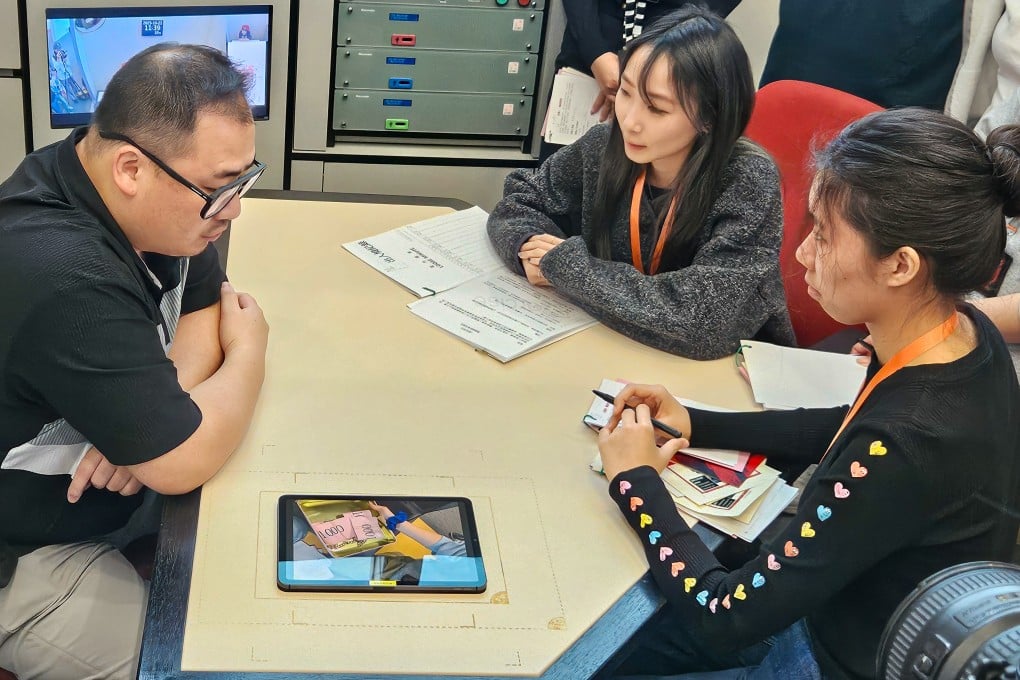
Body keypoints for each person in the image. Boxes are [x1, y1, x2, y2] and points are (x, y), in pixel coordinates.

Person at [597, 108, 1020, 678]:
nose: (802, 254)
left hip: (824, 654)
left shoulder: (908, 440)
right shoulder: (964, 333)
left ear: (900, 265)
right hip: (830, 601)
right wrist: (698, 421)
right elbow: (852, 424)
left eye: (823, 235)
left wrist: (635, 482)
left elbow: (723, 613)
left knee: (597, 654)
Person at [0, 43, 269, 679]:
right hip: (29, 546)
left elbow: (203, 305)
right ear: (131, 168)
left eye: (242, 180)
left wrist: (152, 417)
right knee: (181, 666)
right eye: (216, 190)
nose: (231, 212)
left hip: (111, 494)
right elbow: (180, 462)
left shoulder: (146, 199)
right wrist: (249, 351)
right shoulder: (61, 271)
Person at [488, 7, 793, 359]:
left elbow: (706, 323)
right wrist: (528, 246)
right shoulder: (604, 146)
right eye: (626, 93)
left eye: (657, 109)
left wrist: (567, 267)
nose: (630, 121)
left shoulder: (746, 179)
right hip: (614, 346)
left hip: (722, 380)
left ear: (710, 116)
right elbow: (519, 200)